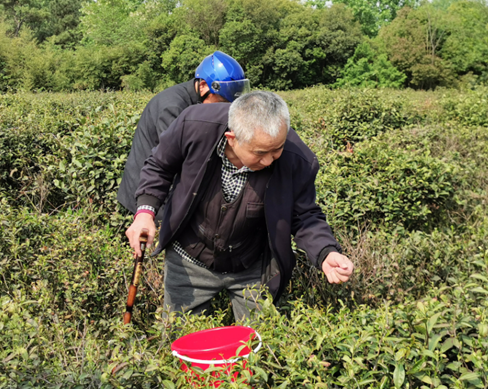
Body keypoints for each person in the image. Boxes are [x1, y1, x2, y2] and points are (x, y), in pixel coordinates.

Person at [125, 91, 354, 321]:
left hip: (252, 266)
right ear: (232, 138)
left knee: (256, 344)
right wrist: (145, 212)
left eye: (277, 149)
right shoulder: (194, 125)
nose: (269, 160)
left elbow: (304, 215)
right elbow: (159, 166)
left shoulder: (297, 158)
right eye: (260, 152)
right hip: (189, 258)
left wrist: (325, 251)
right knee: (179, 339)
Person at [117, 51, 250, 220]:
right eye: (223, 102)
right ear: (203, 86)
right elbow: (175, 160)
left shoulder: (200, 102)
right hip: (149, 190)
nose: (225, 109)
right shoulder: (172, 107)